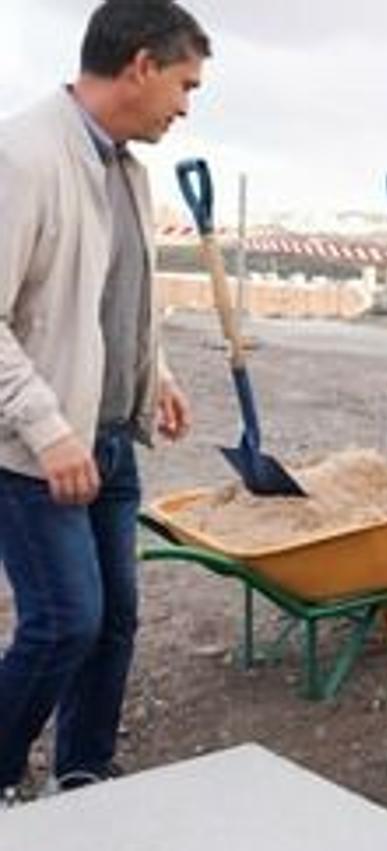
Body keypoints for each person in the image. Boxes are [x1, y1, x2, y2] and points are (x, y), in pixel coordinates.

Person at [0, 0, 208, 802]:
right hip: (37, 451)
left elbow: (111, 295)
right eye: (184, 85)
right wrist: (51, 431)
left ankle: (83, 772)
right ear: (142, 66)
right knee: (65, 621)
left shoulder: (128, 166)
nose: (186, 106)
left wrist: (156, 371)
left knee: (115, 620)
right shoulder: (23, 157)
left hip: (110, 439)